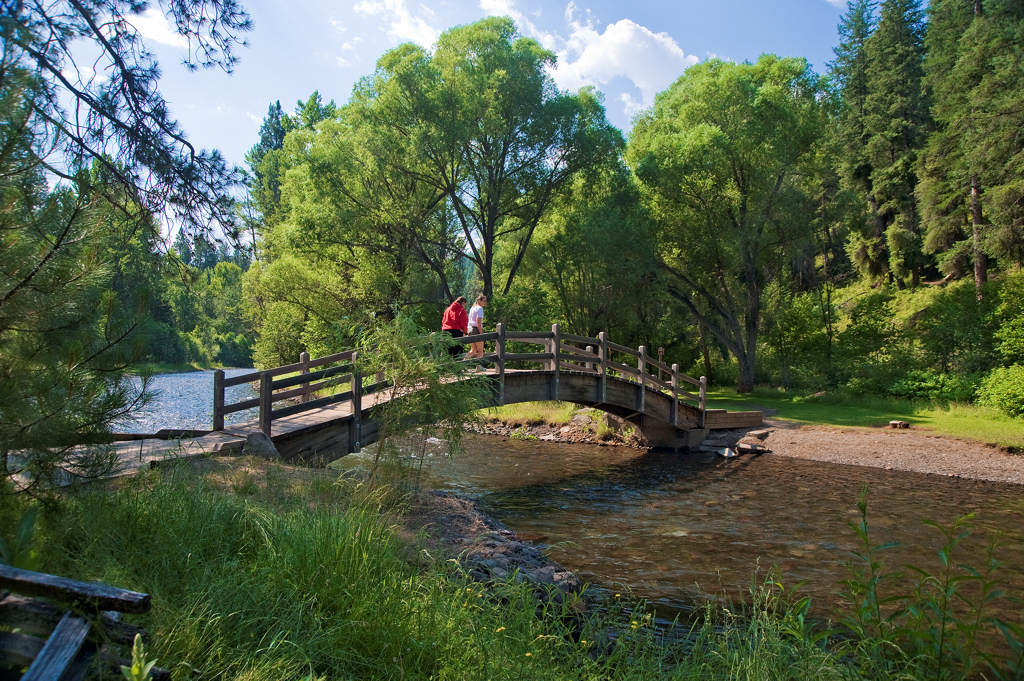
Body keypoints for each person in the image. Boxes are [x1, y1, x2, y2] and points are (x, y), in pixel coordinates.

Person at [466, 294, 488, 359]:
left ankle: (461, 363)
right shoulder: (480, 308)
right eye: (484, 301)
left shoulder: (472, 308)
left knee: (473, 350)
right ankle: (479, 366)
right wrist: (481, 334)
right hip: (476, 329)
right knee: (480, 351)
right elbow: (478, 323)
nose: (485, 302)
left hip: (469, 329)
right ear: (479, 301)